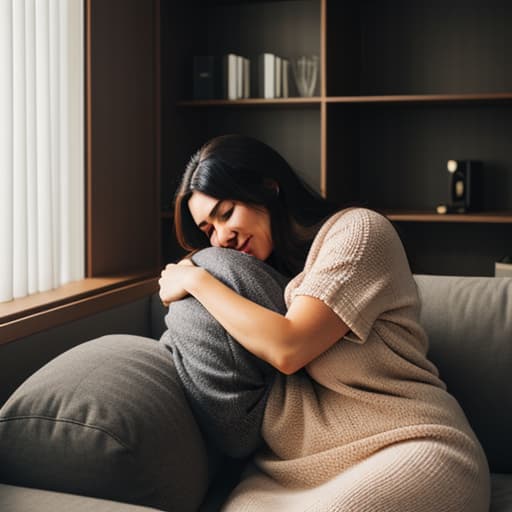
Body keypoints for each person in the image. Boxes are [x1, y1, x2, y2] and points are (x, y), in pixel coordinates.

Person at [159, 134, 490, 511]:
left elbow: (289, 348)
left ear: (269, 188)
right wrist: (202, 270)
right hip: (293, 470)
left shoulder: (359, 232)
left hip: (412, 443)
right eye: (208, 230)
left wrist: (197, 279)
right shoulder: (261, 276)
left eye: (226, 212)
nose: (222, 237)